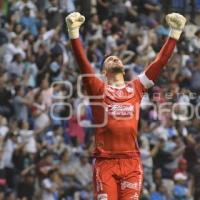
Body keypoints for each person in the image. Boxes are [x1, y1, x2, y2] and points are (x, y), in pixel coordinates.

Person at [65, 11, 186, 200]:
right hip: (105, 162)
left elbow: (159, 62)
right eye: (109, 59)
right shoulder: (98, 88)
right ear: (104, 72)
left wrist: (175, 33)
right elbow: (83, 64)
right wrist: (74, 32)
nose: (114, 58)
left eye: (117, 58)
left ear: (124, 68)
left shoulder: (136, 87)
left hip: (131, 161)